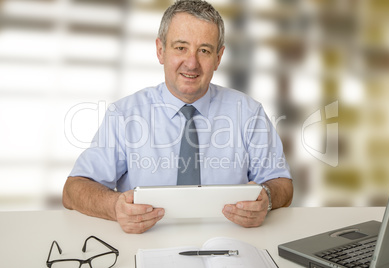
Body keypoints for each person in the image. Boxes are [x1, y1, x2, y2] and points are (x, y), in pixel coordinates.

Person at [63, 0, 293, 234]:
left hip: (229, 244)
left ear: (218, 57)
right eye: (181, 47)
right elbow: (73, 190)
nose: (191, 63)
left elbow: (281, 183)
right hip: (146, 245)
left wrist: (268, 197)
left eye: (204, 50)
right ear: (160, 50)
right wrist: (114, 207)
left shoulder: (248, 113)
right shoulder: (125, 115)